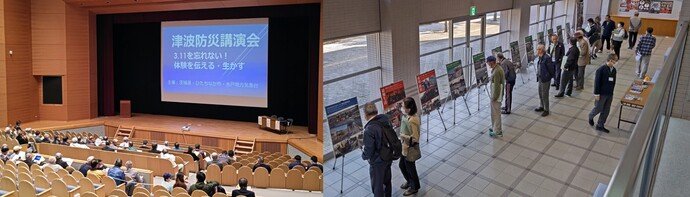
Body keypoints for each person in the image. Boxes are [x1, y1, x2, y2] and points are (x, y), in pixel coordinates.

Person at [361, 102, 393, 197]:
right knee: (387, 181)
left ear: (366, 114)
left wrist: (364, 156)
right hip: (388, 154)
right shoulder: (385, 119)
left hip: (378, 161)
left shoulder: (369, 129)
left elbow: (369, 150)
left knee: (377, 186)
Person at [397, 97, 421, 196]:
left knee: (410, 168)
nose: (401, 108)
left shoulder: (413, 120)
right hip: (405, 147)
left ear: (409, 109)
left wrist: (402, 135)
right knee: (402, 165)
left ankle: (414, 187)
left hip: (410, 148)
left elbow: (415, 138)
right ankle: (410, 182)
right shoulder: (408, 116)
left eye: (403, 107)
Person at [589, 54, 618, 133]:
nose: (616, 62)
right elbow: (597, 83)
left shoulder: (614, 70)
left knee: (606, 110)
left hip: (609, 93)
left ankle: (600, 125)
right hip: (601, 94)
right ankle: (590, 116)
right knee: (598, 108)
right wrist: (596, 94)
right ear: (611, 60)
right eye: (615, 60)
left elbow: (613, 82)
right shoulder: (601, 70)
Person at [535, 44, 555, 117]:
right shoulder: (540, 57)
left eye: (538, 49)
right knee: (540, 93)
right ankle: (541, 106)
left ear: (541, 50)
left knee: (545, 94)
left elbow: (551, 69)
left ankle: (546, 109)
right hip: (540, 78)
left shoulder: (547, 58)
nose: (536, 51)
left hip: (545, 79)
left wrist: (550, 76)